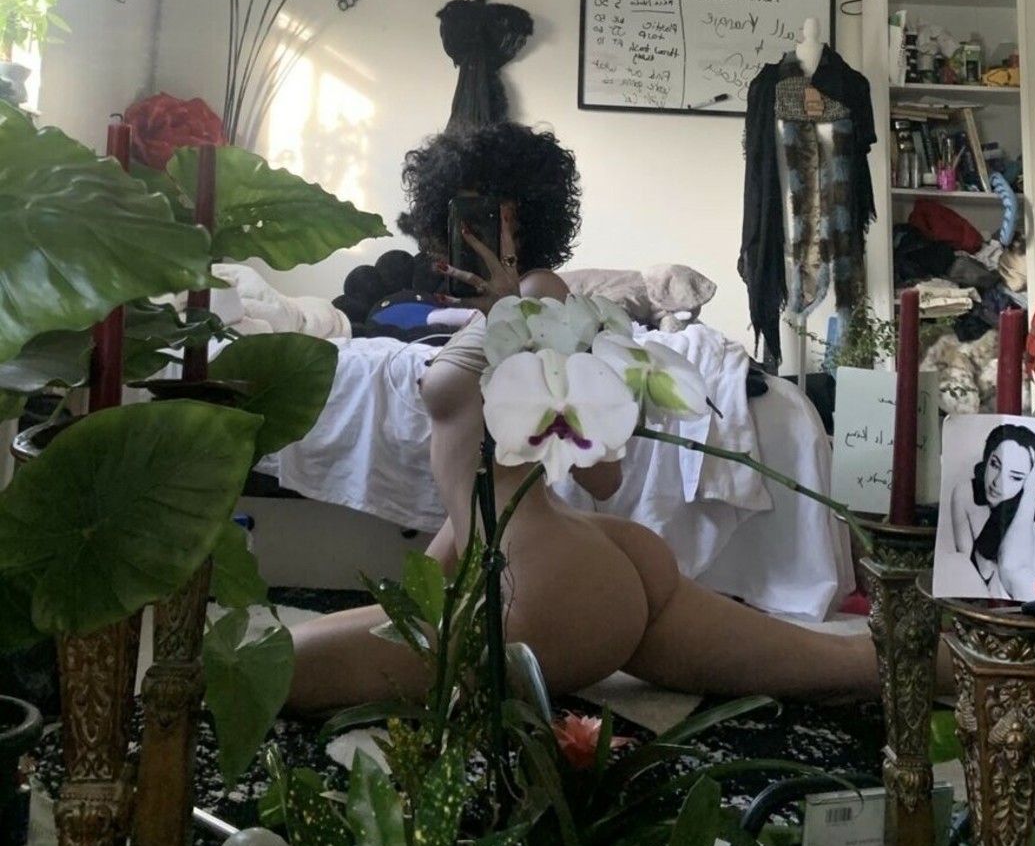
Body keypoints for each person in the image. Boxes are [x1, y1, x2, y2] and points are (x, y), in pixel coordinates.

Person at [287, 122, 894, 715]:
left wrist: (513, 315)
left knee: (273, 675)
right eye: (458, 215)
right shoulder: (500, 310)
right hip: (563, 561)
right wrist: (430, 589)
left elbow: (603, 473)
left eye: (485, 214)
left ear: (520, 216)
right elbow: (477, 481)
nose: (467, 231)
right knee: (840, 667)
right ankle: (942, 658)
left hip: (548, 579)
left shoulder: (540, 295)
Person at [950, 423, 1035, 601]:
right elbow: (967, 570)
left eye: (1015, 477)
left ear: (1030, 481)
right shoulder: (965, 493)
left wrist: (1031, 491)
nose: (997, 482)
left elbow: (1011, 566)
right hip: (981, 603)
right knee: (954, 562)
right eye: (995, 465)